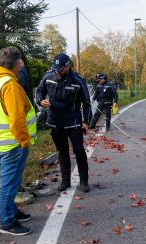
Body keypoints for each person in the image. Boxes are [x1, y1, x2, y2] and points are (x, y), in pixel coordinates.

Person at [0, 46, 37, 236]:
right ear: (17, 63)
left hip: (0, 142)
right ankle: (6, 222)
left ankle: (13, 212)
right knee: (8, 184)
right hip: (12, 144)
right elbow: (16, 118)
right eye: (20, 62)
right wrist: (24, 141)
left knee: (11, 182)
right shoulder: (10, 85)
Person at [36, 53, 92, 193]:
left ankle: (84, 181)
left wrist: (86, 121)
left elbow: (86, 103)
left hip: (73, 121)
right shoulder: (48, 76)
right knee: (62, 151)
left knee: (79, 150)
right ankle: (65, 180)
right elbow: (39, 92)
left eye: (60, 69)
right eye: (55, 68)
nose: (57, 71)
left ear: (67, 67)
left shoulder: (78, 80)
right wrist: (41, 101)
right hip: (55, 121)